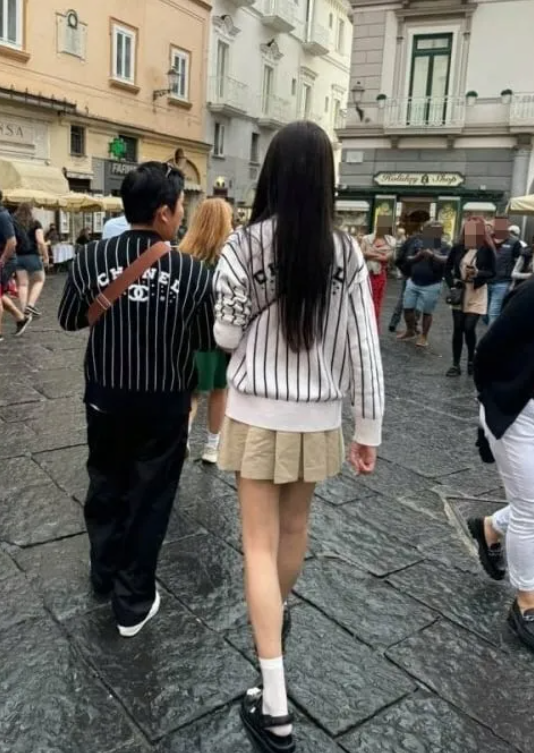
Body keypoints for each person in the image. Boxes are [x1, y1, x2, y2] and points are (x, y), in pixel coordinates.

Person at [213, 121, 384, 752]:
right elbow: (363, 345)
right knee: (291, 533)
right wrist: (369, 427)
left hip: (257, 409)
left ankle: (275, 701)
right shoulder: (346, 252)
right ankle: (274, 626)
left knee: (256, 546)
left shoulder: (243, 244)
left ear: (272, 173)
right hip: (319, 415)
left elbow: (225, 335)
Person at [58, 162, 214, 638]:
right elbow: (208, 346)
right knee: (150, 499)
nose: (182, 216)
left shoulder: (91, 257)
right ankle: (132, 602)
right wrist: (204, 394)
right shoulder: (193, 273)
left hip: (105, 396)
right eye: (181, 207)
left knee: (105, 484)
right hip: (164, 404)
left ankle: (104, 573)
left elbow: (69, 319)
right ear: (163, 212)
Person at [469, 279, 534, 650]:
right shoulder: (531, 295)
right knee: (531, 510)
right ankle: (526, 601)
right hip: (520, 413)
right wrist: (493, 398)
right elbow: (489, 349)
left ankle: (491, 527)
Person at [180, 198, 232, 464]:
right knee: (219, 390)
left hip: (188, 335)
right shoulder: (229, 258)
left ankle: (184, 435)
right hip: (219, 335)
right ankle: (212, 445)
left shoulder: (183, 256)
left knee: (191, 392)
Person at [444, 217, 495, 377]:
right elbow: (447, 269)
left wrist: (478, 273)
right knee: (458, 328)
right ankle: (455, 364)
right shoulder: (458, 247)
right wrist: (452, 286)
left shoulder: (486, 249)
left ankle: (471, 360)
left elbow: (493, 272)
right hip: (460, 291)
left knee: (469, 327)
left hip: (477, 291)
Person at [0, 187, 30, 342]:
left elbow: (12, 242)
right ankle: (20, 318)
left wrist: (2, 260)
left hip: (3, 261)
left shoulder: (2, 216)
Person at [396, 221, 449, 348]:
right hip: (413, 281)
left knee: (427, 311)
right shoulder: (419, 243)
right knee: (407, 308)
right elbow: (408, 258)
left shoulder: (445, 246)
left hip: (432, 283)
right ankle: (410, 330)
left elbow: (447, 260)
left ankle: (424, 336)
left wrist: (432, 255)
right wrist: (419, 255)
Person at [13, 203, 49, 319]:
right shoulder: (35, 223)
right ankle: (30, 305)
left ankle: (24, 310)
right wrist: (46, 256)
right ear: (31, 210)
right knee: (40, 280)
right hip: (32, 256)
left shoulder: (14, 223)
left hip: (18, 257)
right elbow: (40, 241)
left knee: (22, 284)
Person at [361, 217, 395, 328]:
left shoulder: (391, 241)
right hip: (366, 274)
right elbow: (361, 253)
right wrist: (379, 253)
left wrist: (370, 252)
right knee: (364, 299)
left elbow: (386, 258)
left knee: (376, 301)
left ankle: (373, 326)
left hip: (379, 275)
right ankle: (364, 325)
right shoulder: (367, 238)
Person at [486, 216, 521, 324]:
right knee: (484, 313)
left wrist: (513, 282)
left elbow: (518, 263)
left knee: (493, 312)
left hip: (502, 282)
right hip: (485, 281)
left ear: (507, 225)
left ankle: (492, 334)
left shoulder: (514, 242)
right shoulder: (487, 239)